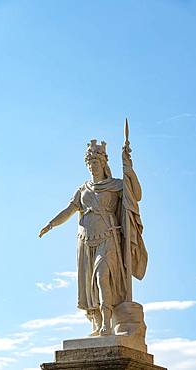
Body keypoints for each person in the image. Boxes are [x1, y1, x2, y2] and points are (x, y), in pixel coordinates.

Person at [39, 139, 147, 336]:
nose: (92, 167)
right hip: (85, 241)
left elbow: (136, 195)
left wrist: (129, 169)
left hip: (109, 238)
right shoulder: (83, 189)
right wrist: (51, 224)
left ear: (104, 163)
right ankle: (96, 323)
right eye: (89, 164)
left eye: (95, 163)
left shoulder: (116, 185)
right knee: (90, 286)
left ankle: (107, 322)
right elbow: (69, 210)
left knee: (102, 277)